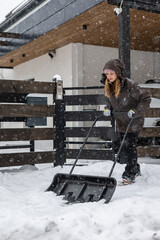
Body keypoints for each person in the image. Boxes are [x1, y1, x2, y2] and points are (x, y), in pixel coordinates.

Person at [100, 58, 151, 183]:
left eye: (111, 73)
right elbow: (109, 100)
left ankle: (130, 173)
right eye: (107, 74)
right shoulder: (109, 86)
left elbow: (146, 98)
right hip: (121, 122)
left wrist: (135, 111)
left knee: (130, 146)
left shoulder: (131, 85)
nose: (109, 76)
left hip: (134, 121)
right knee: (124, 146)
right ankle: (135, 168)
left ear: (118, 72)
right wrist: (107, 108)